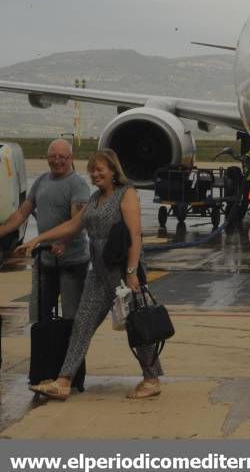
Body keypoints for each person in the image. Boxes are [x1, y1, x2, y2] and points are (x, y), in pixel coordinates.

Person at [17, 150, 163, 400]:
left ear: (113, 170)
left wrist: (131, 273)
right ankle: (63, 381)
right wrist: (38, 238)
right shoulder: (95, 198)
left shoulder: (126, 194)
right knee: (81, 326)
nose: (95, 175)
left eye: (100, 170)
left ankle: (151, 379)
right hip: (99, 274)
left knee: (137, 328)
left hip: (123, 272)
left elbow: (135, 235)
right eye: (92, 170)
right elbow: (73, 226)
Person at [0, 138, 89, 323]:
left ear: (71, 157)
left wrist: (63, 242)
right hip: (44, 259)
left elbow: (77, 222)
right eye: (53, 157)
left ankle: (69, 351)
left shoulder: (78, 185)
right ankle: (44, 350)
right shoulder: (41, 181)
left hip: (71, 261)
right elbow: (22, 213)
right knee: (38, 316)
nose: (57, 161)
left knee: (71, 317)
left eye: (62, 157)